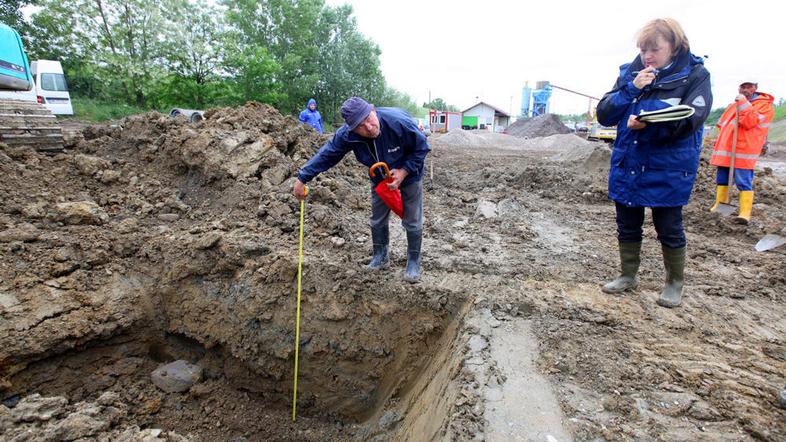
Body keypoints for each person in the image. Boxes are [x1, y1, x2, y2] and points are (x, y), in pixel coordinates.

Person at [596, 18, 712, 308]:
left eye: (654, 49)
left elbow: (691, 121)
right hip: (630, 162)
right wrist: (630, 89)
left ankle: (674, 283)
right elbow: (605, 115)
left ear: (674, 46)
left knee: (669, 227)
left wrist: (647, 124)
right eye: (643, 49)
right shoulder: (630, 73)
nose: (648, 56)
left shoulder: (695, 75)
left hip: (668, 167)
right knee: (627, 224)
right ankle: (627, 275)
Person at [293, 97, 430, 282]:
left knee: (412, 219)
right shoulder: (347, 135)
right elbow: (327, 155)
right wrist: (302, 178)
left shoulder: (398, 122)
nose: (369, 127)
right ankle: (380, 257)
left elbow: (422, 147)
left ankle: (413, 262)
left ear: (373, 110)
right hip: (380, 177)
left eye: (369, 118)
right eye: (360, 125)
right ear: (351, 128)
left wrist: (404, 171)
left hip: (410, 173)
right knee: (377, 218)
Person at [709, 80, 775, 224]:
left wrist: (743, 103)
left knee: (743, 181)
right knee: (722, 179)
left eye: (749, 87)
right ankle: (720, 206)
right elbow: (721, 125)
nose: (745, 89)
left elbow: (749, 122)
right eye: (742, 86)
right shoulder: (733, 105)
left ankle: (745, 212)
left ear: (755, 88)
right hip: (727, 150)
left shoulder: (764, 106)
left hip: (744, 150)